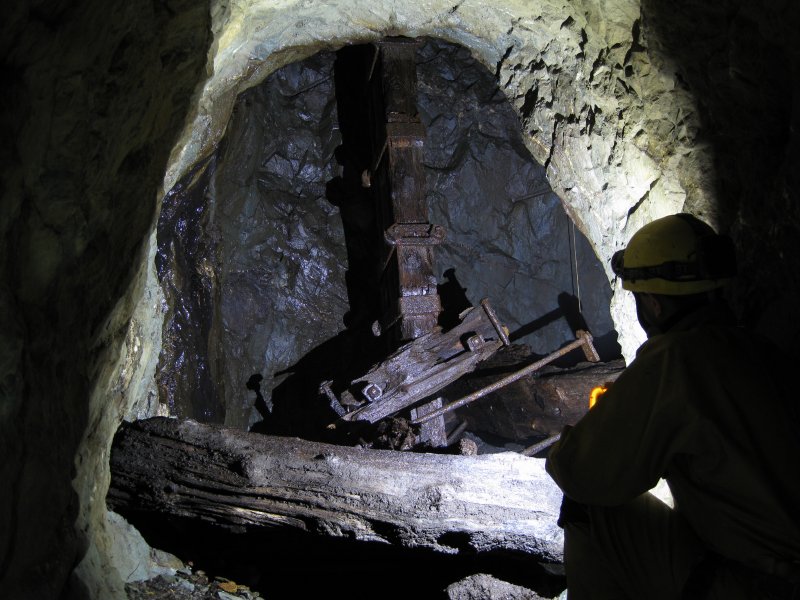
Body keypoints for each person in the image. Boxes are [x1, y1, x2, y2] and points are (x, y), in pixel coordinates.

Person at [545, 213, 800, 599]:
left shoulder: (675, 359)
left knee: (588, 507)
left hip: (756, 585)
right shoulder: (764, 351)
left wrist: (604, 421)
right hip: (775, 569)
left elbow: (579, 470)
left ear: (653, 303)